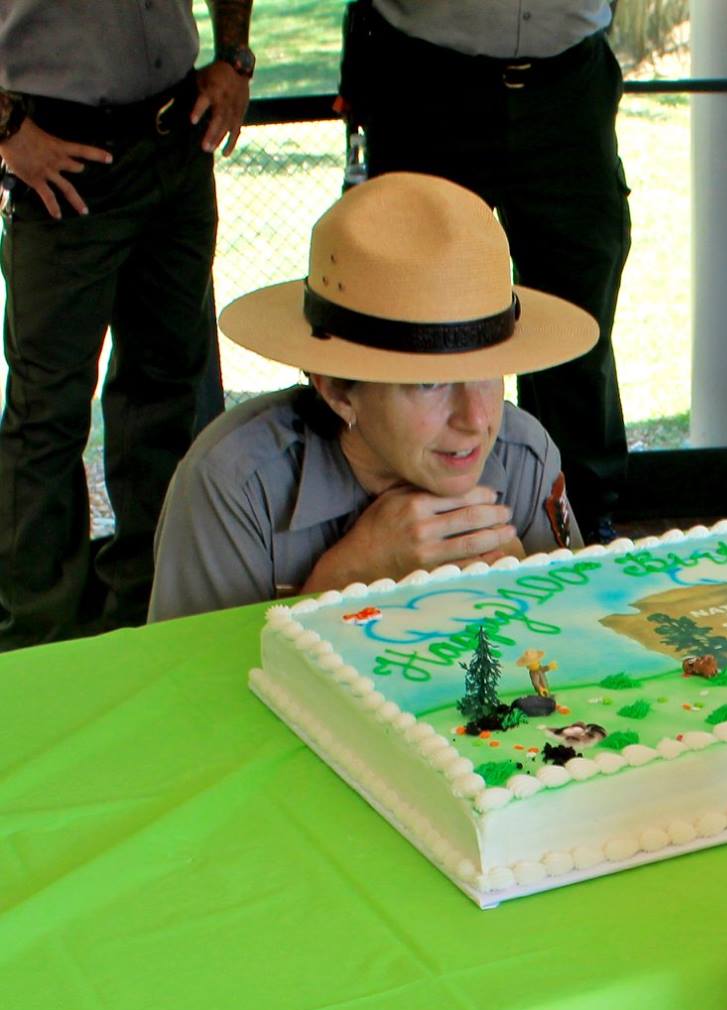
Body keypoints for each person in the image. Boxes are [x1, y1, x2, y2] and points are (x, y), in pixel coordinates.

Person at [149, 173, 597, 620]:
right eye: (429, 383)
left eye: (487, 373)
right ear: (337, 391)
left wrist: (531, 603)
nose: (476, 419)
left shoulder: (524, 459)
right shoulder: (235, 486)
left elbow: (587, 649)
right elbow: (186, 682)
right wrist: (347, 576)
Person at [0, 0, 251, 649]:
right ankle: (37, 638)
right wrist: (6, 130)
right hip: (61, 150)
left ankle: (154, 610)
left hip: (178, 139)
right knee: (47, 414)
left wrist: (235, 58)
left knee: (166, 388)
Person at [338, 0, 631, 540]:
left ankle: (581, 526)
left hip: (568, 85)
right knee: (416, 330)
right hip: (425, 84)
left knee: (578, 333)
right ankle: (410, 533)